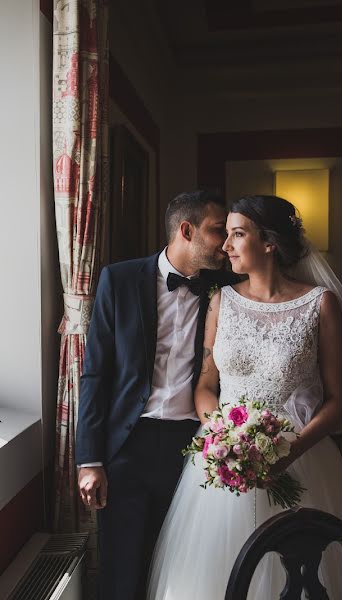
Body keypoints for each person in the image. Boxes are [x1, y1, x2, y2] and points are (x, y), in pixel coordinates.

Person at [147, 195, 342, 599]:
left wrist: (291, 451)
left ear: (268, 242)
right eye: (227, 234)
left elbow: (338, 399)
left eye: (237, 234)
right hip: (223, 461)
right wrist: (221, 436)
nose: (226, 245)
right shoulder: (221, 300)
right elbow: (204, 384)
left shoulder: (321, 305)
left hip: (300, 458)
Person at [76, 190, 240, 599]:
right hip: (128, 444)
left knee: (180, 565)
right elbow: (96, 373)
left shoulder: (229, 288)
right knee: (121, 567)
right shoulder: (119, 279)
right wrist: (89, 459)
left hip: (193, 448)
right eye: (217, 230)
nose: (224, 243)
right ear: (186, 230)